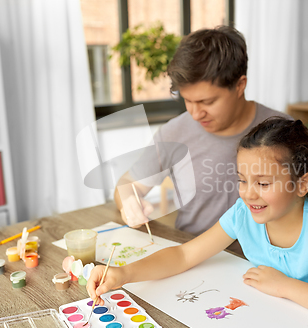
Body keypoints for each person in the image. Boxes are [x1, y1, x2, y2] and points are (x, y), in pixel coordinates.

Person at [88, 117, 308, 326]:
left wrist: (284, 286)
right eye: (242, 180)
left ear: (303, 184)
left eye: (263, 184)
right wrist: (124, 273)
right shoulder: (245, 213)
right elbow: (184, 254)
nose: (248, 193)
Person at [115, 26, 291, 235]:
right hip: (192, 254)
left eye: (207, 101)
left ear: (239, 85)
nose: (196, 114)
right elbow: (127, 184)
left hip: (265, 261)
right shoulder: (174, 133)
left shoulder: (285, 131)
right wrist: (129, 201)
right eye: (187, 101)